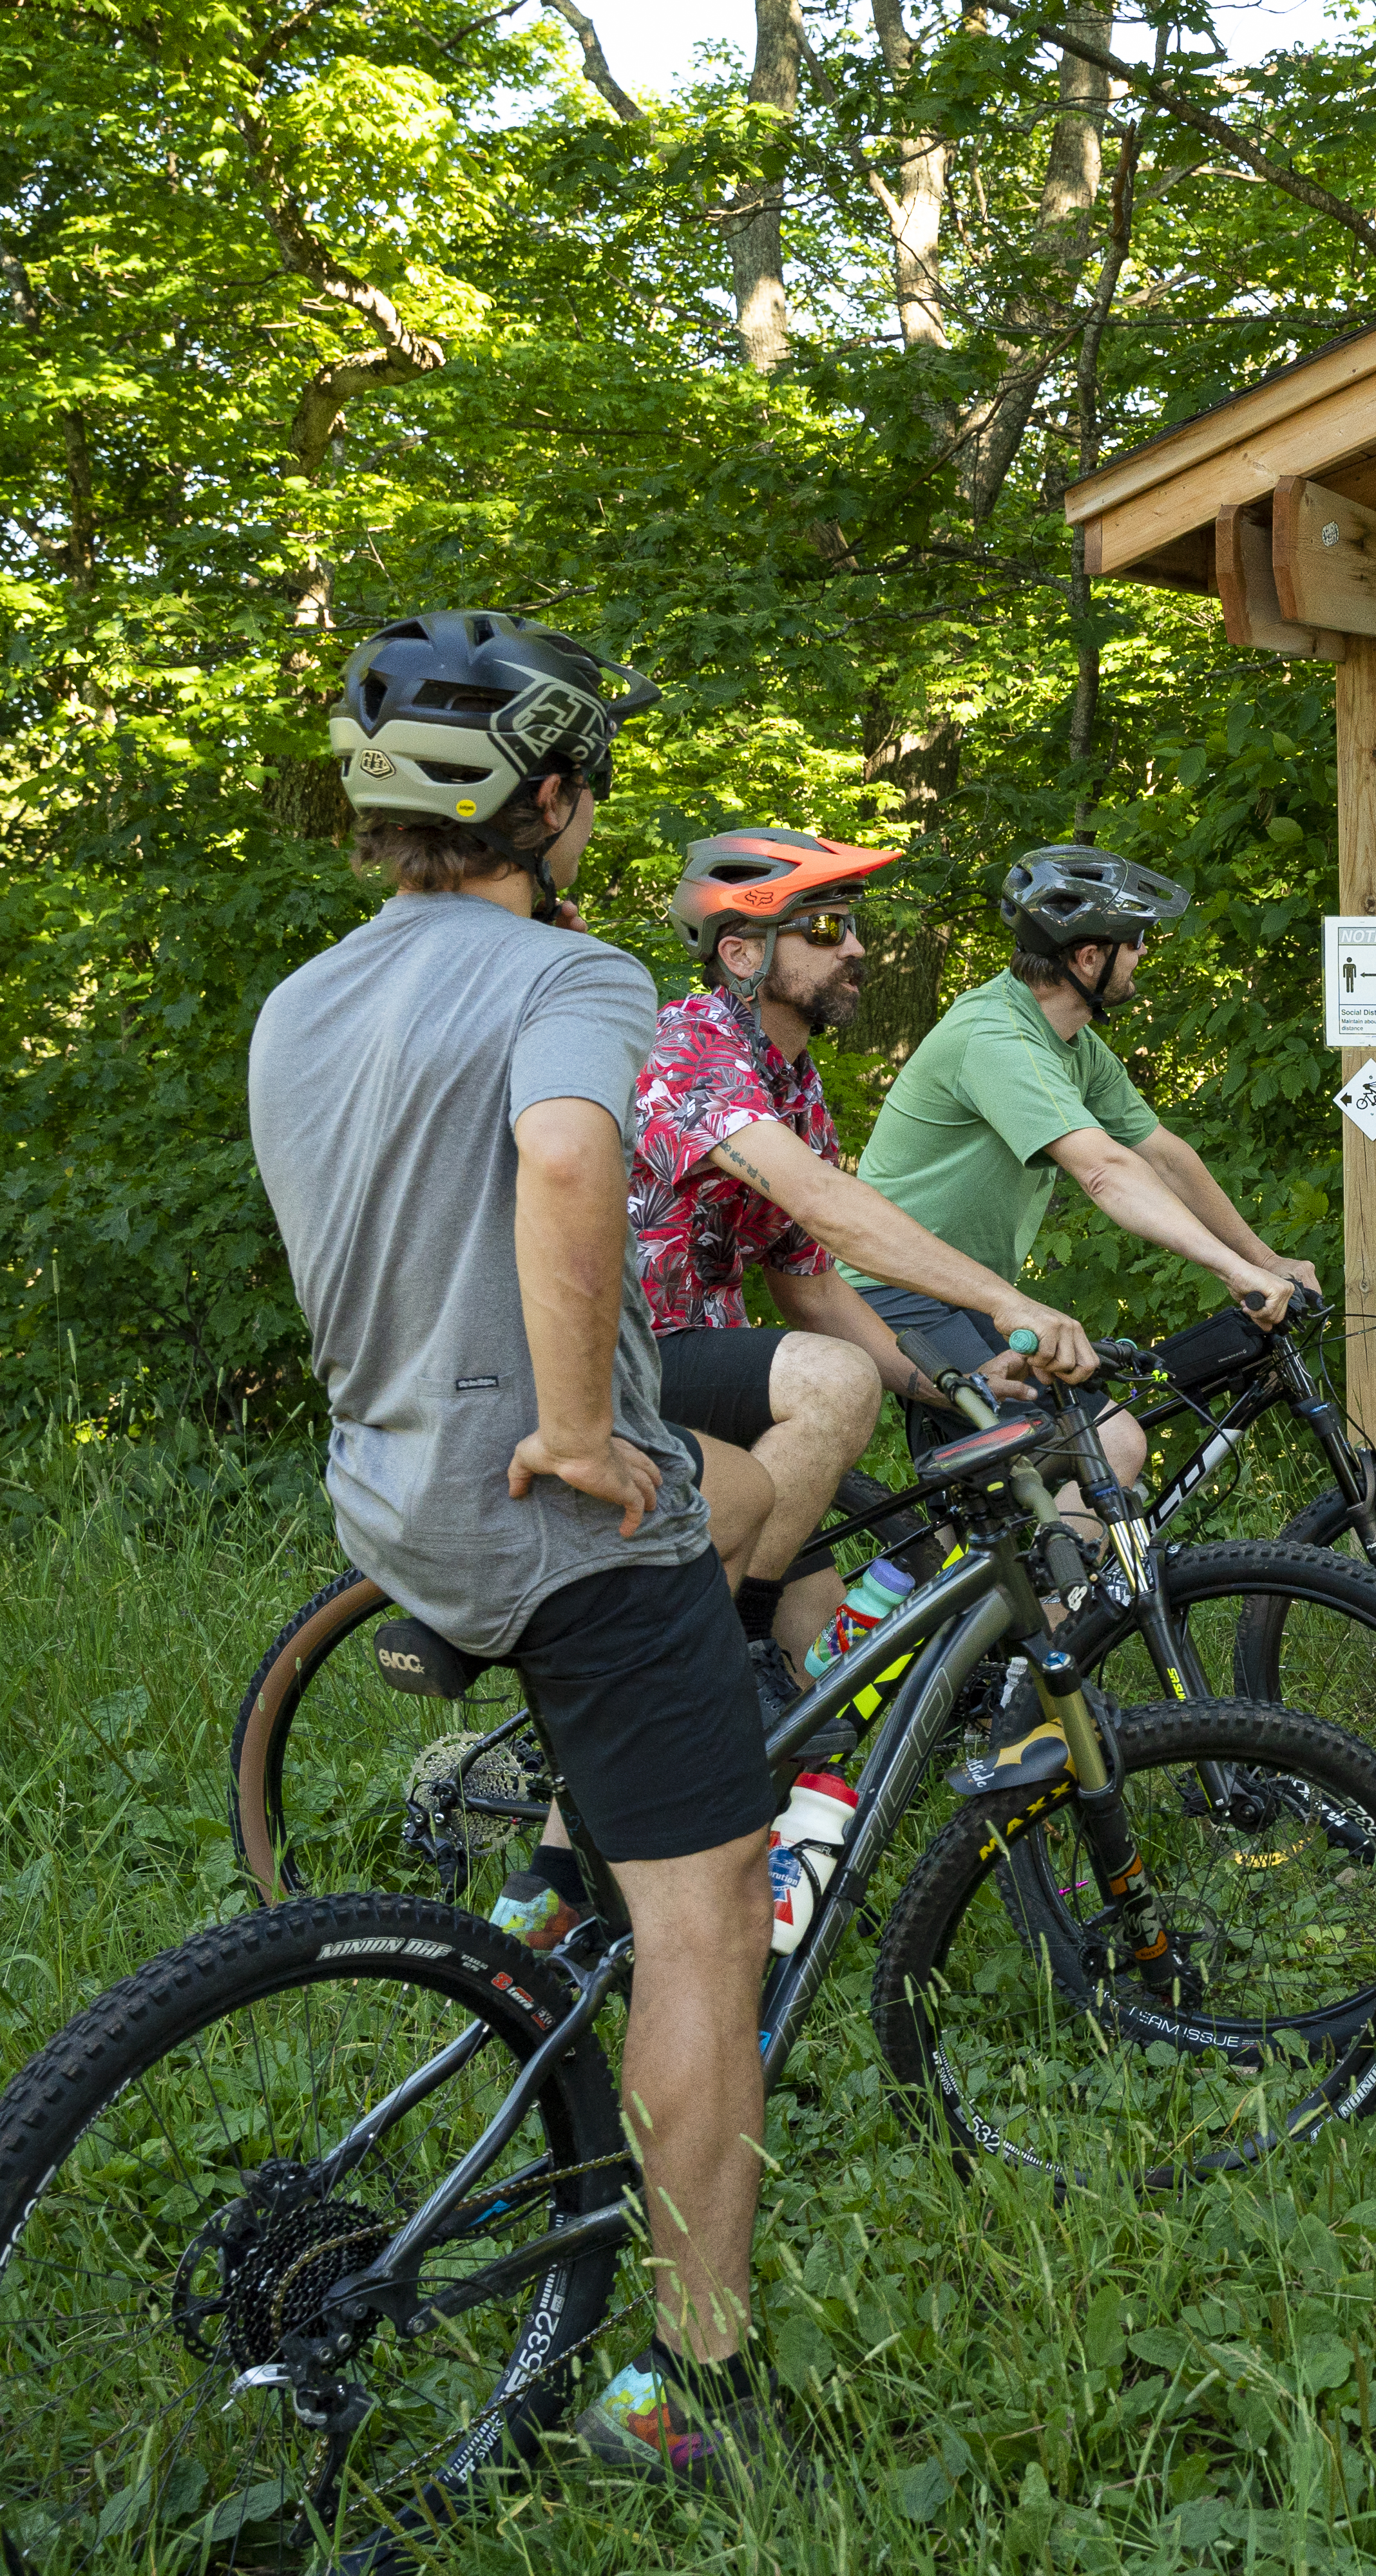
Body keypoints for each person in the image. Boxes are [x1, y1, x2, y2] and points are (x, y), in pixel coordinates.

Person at [251, 610, 788, 2483]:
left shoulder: (304, 997)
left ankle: (562, 1879)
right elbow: (568, 1163)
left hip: (394, 1505)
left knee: (759, 1489)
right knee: (709, 1925)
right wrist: (573, 1428)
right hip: (557, 1523)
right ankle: (682, 2395)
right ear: (551, 796)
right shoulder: (578, 980)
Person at [850, 846, 1317, 1787]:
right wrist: (1231, 1268)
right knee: (1110, 1445)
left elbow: (1162, 1153)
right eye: (1136, 943)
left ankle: (976, 1671)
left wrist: (1260, 1260)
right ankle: (1029, 1707)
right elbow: (1101, 1171)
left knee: (1034, 1485)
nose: (1145, 959)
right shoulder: (1001, 1038)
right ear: (1086, 954)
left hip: (965, 1295)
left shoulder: (1066, 1040)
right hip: (892, 1296)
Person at [631, 828, 1096, 1675]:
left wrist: (948, 1385)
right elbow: (827, 1207)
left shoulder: (794, 1084)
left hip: (700, 1363)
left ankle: (755, 1739)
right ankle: (712, 1657)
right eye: (824, 930)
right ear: (739, 952)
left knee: (828, 1671)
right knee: (833, 1384)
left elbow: (810, 1288)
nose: (856, 947)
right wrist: (1005, 1301)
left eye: (852, 925)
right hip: (619, 1358)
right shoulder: (690, 1048)